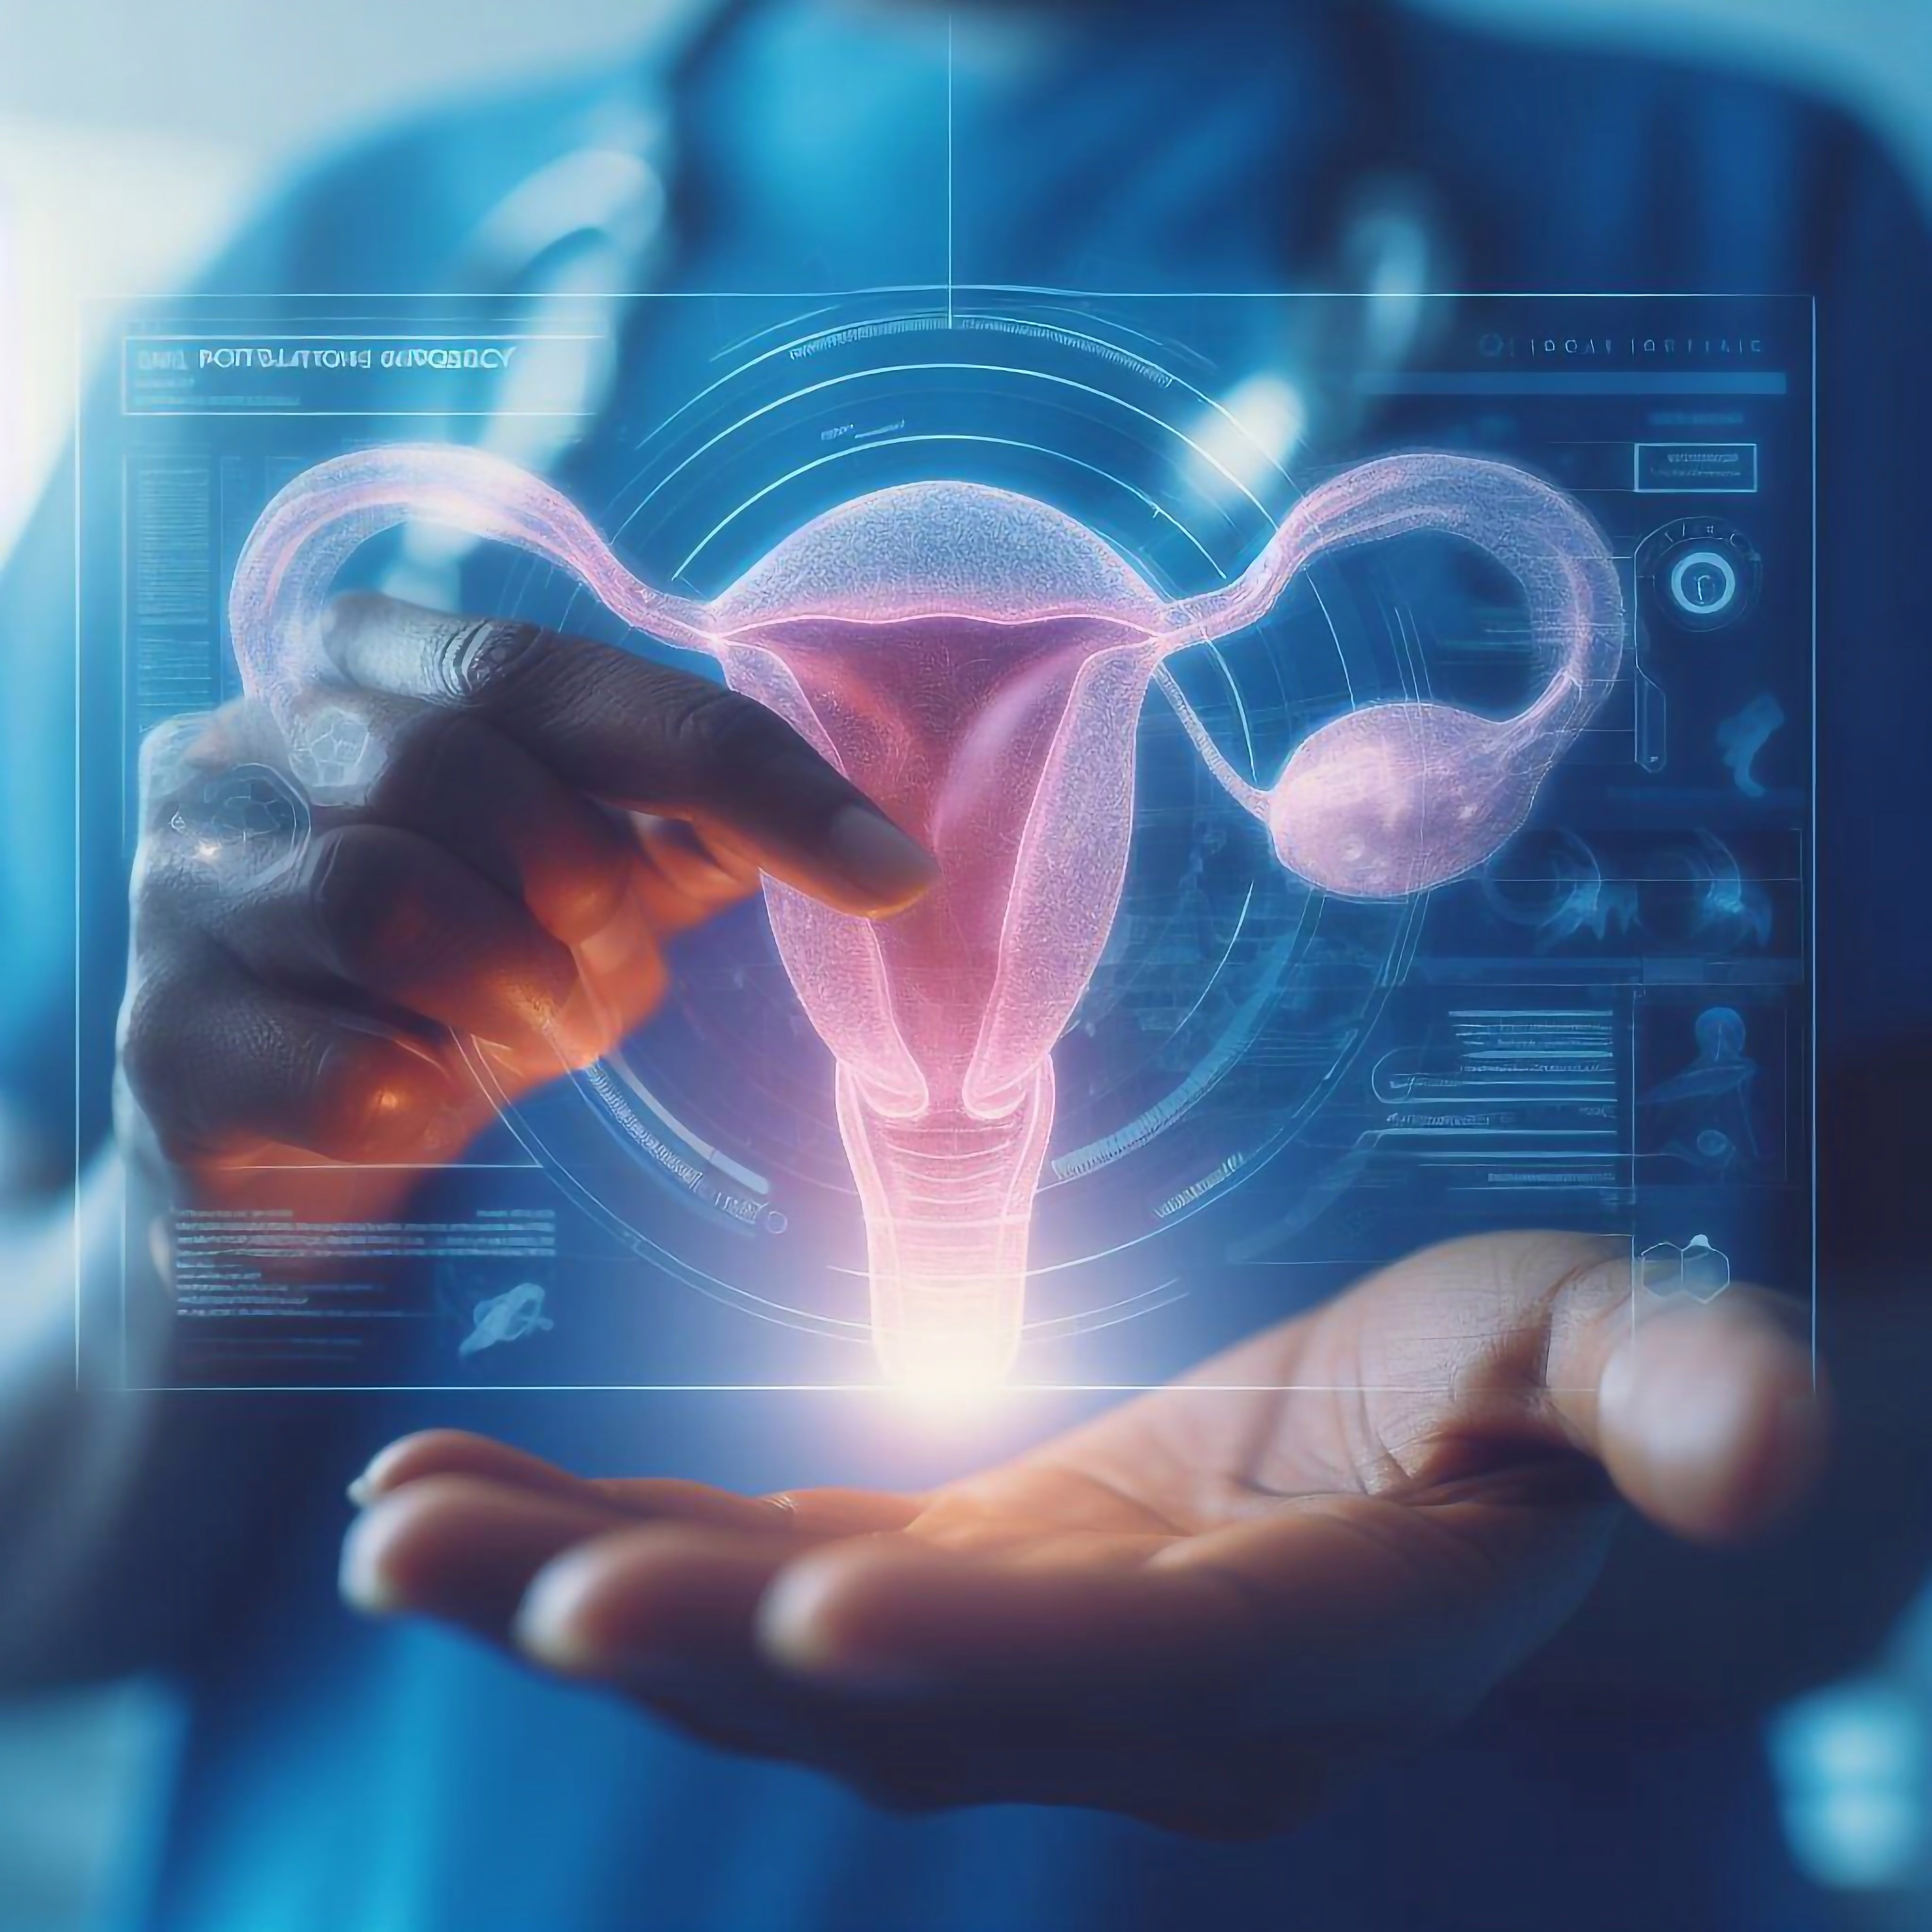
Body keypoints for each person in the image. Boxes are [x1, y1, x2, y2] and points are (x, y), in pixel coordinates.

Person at [3, 2, 1930, 1927]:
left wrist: (1578, 1501)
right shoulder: (317, 274)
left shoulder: (1754, 222)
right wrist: (215, 1215)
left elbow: (1844, 1505)